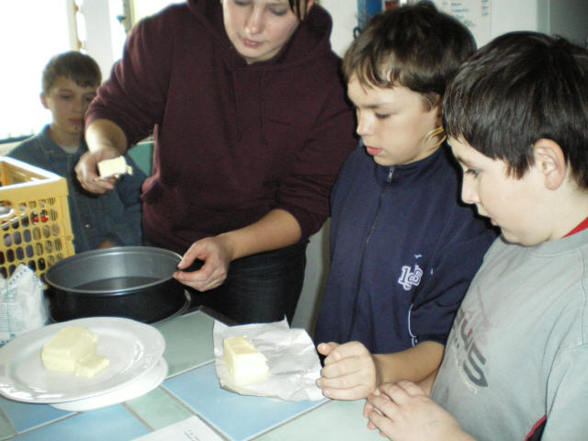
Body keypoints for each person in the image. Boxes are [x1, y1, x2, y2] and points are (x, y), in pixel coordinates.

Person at [364, 32, 588, 441]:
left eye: (475, 171)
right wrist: (416, 397)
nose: (466, 195)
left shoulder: (580, 321)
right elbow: (467, 368)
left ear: (547, 164)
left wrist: (439, 435)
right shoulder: (513, 237)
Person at [74, 0, 356, 324]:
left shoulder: (330, 85)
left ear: (306, 6)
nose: (253, 25)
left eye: (276, 11)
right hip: (168, 241)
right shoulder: (169, 34)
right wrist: (103, 147)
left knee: (251, 368)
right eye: (240, 2)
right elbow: (116, 109)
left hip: (263, 258)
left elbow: (307, 202)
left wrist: (230, 245)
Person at [314, 2, 497, 401]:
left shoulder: (469, 207)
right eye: (356, 108)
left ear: (441, 107)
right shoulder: (358, 167)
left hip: (402, 395)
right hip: (333, 376)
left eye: (380, 113)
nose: (361, 129)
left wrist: (376, 369)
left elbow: (445, 343)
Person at [8, 51, 145, 253]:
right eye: (66, 97)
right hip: (53, 274)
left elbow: (143, 202)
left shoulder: (107, 153)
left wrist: (116, 242)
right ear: (45, 100)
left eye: (88, 98)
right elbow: (12, 230)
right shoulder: (20, 163)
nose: (78, 108)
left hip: (113, 263)